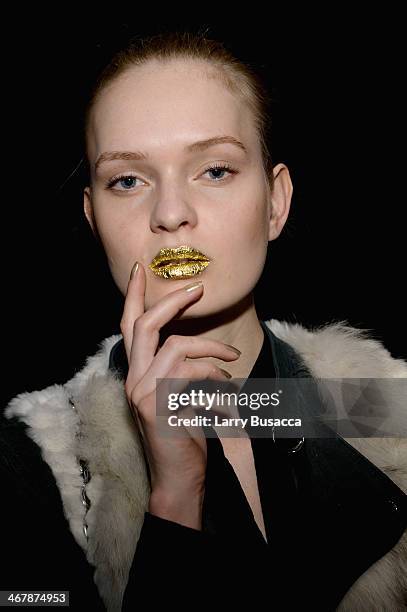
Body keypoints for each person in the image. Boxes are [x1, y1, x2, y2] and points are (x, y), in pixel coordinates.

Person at [1, 30, 406, 611]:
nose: (170, 214)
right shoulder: (29, 464)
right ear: (93, 219)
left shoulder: (388, 410)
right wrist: (173, 501)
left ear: (276, 202)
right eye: (127, 180)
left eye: (214, 170)